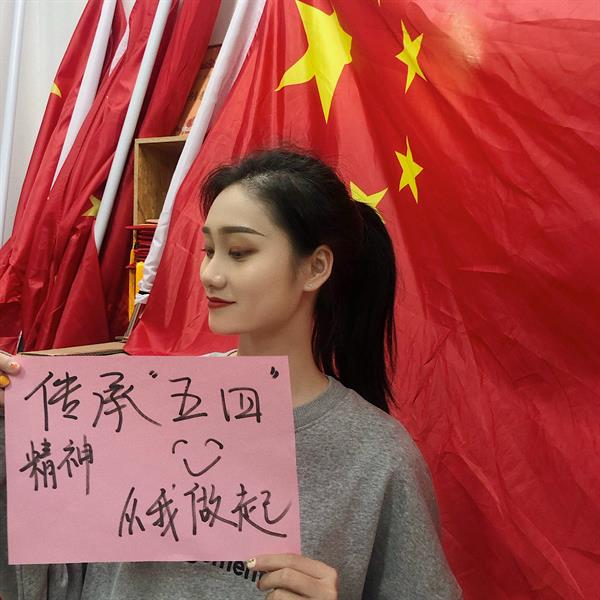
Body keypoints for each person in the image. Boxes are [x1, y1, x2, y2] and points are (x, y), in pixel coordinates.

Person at [0, 148, 461, 599]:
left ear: (316, 267)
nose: (211, 274)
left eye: (239, 252)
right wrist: (8, 434)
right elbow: (53, 575)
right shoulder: (141, 406)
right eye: (209, 250)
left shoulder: (378, 458)